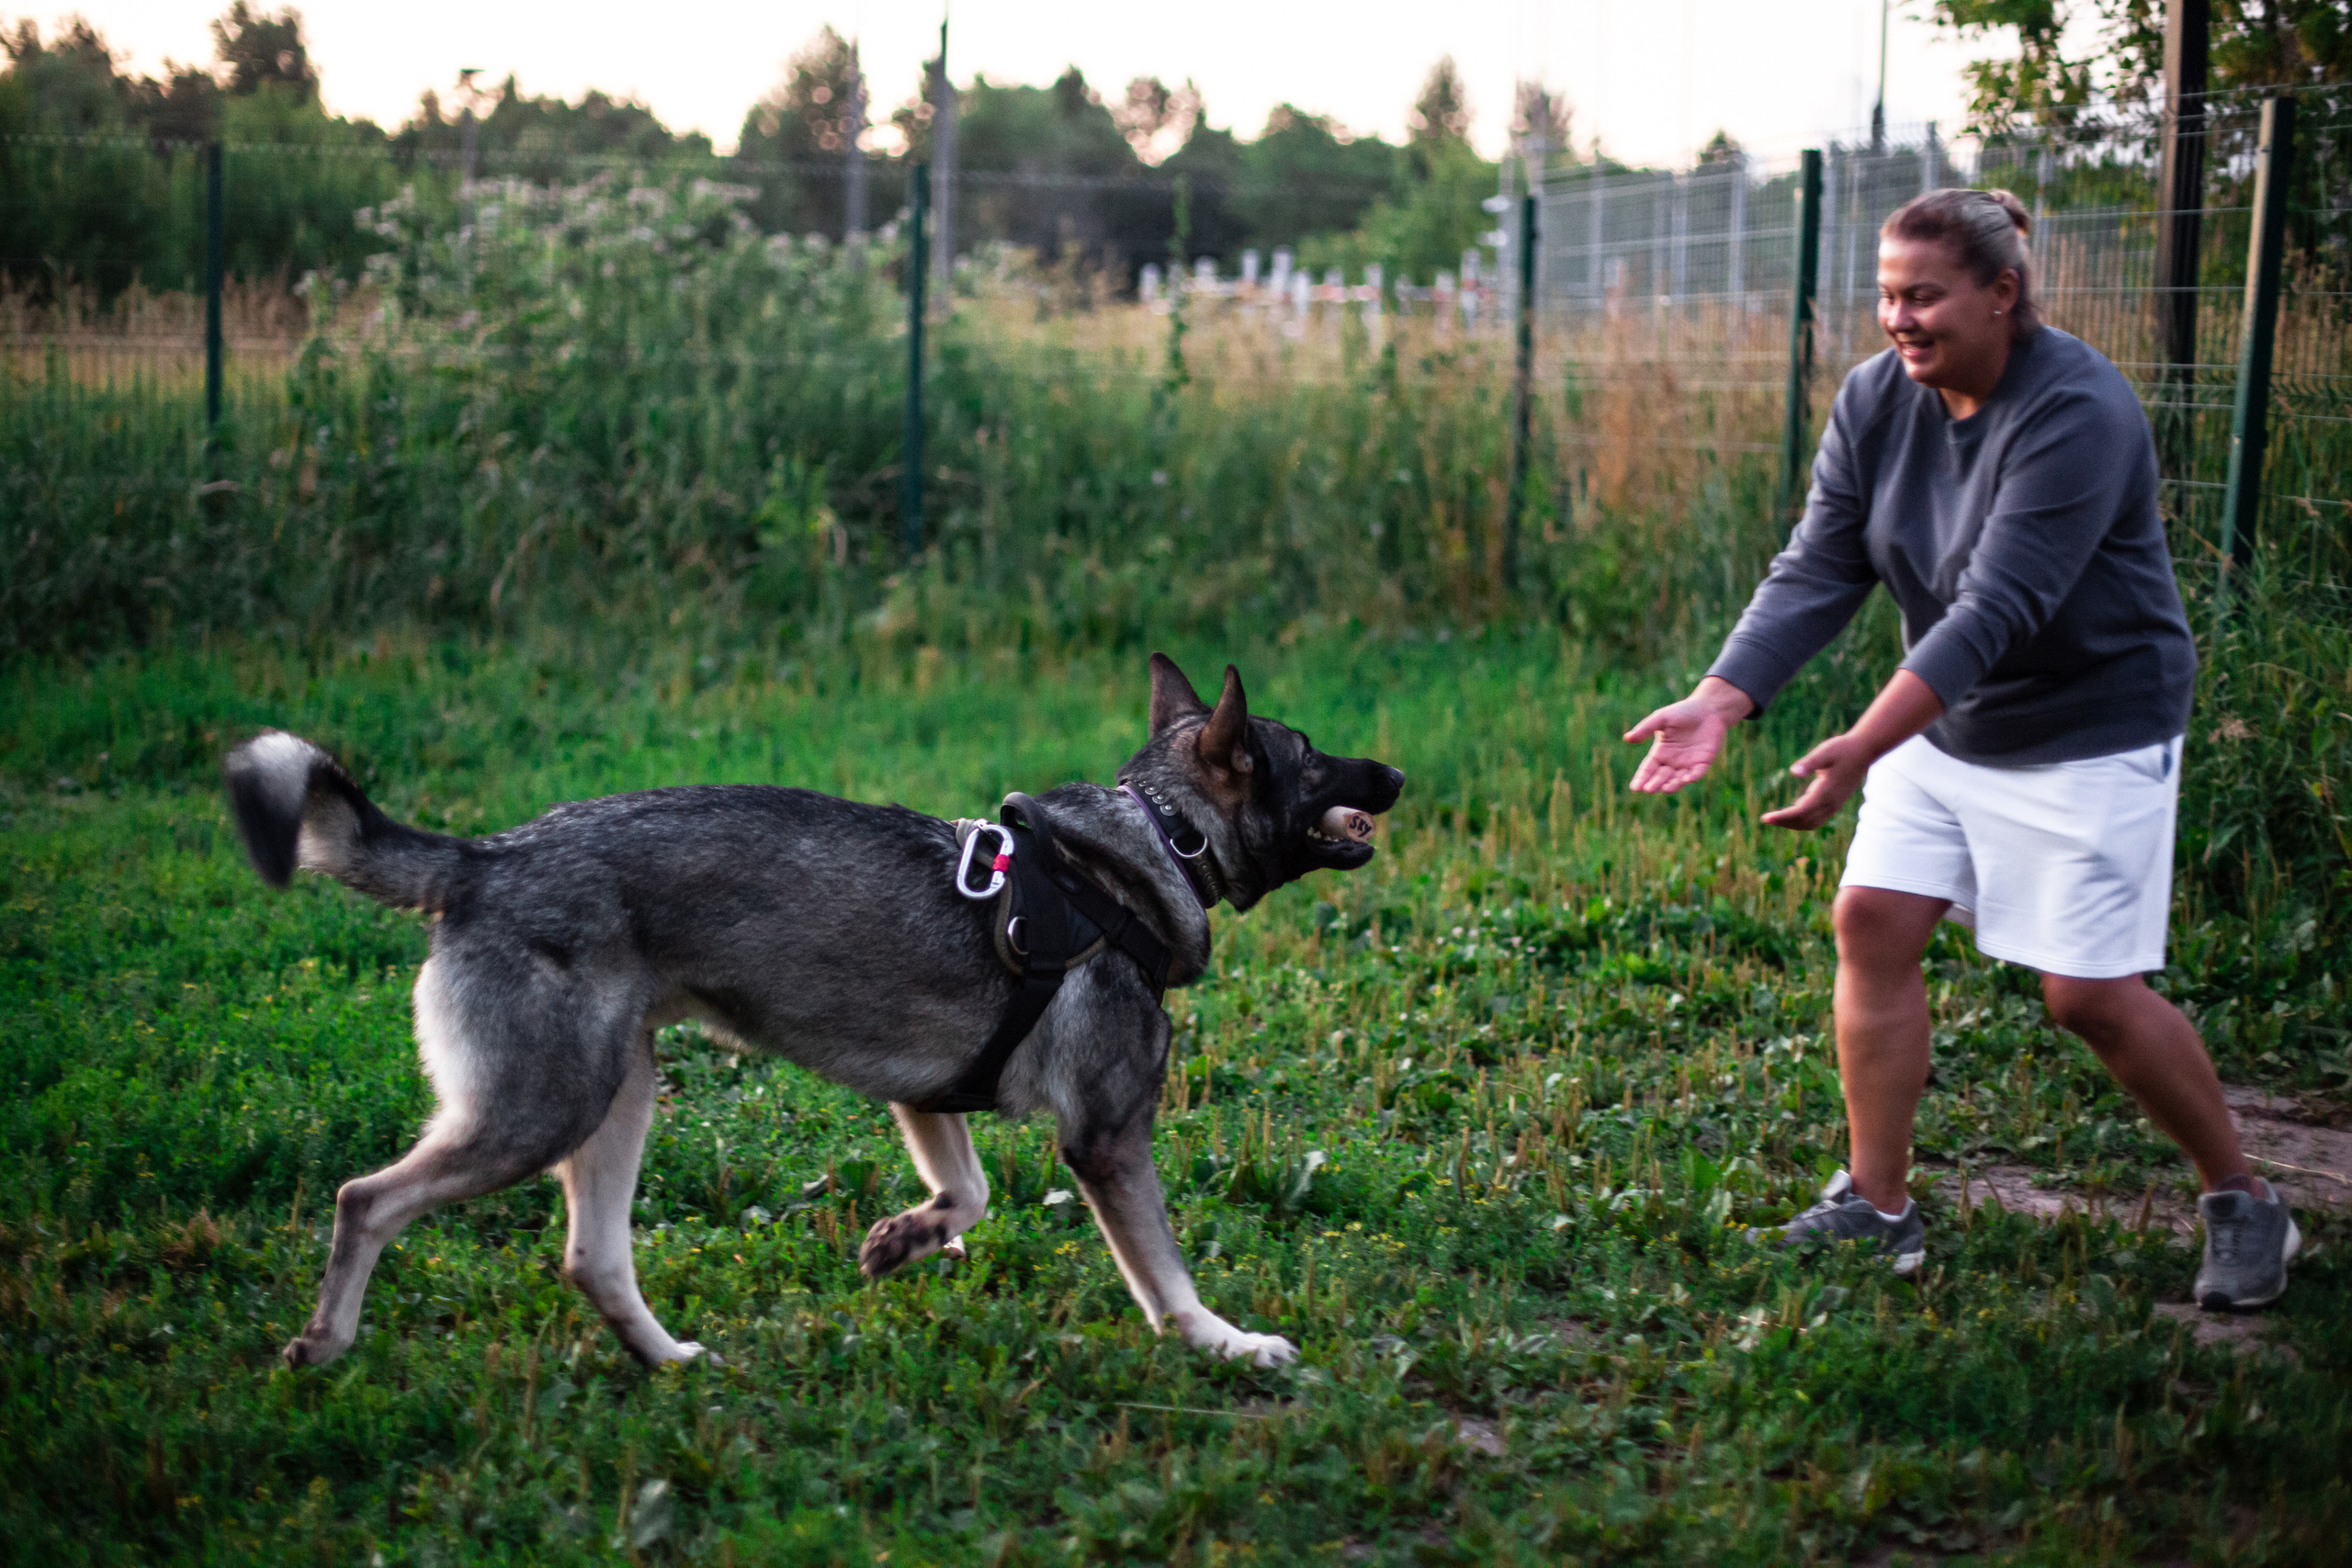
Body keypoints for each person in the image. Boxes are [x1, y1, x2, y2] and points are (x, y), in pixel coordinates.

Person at [1623, 187, 2297, 1310]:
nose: (1899, 318)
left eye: (1923, 295)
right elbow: (1819, 564)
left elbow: (1995, 610)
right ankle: (1876, 1206)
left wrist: (1860, 746)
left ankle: (2243, 1198)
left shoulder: (2078, 410)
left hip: (2089, 729)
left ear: (2002, 291)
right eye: (1886, 295)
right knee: (1873, 920)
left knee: (2086, 996)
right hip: (1947, 722)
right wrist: (1722, 698)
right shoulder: (1876, 400)